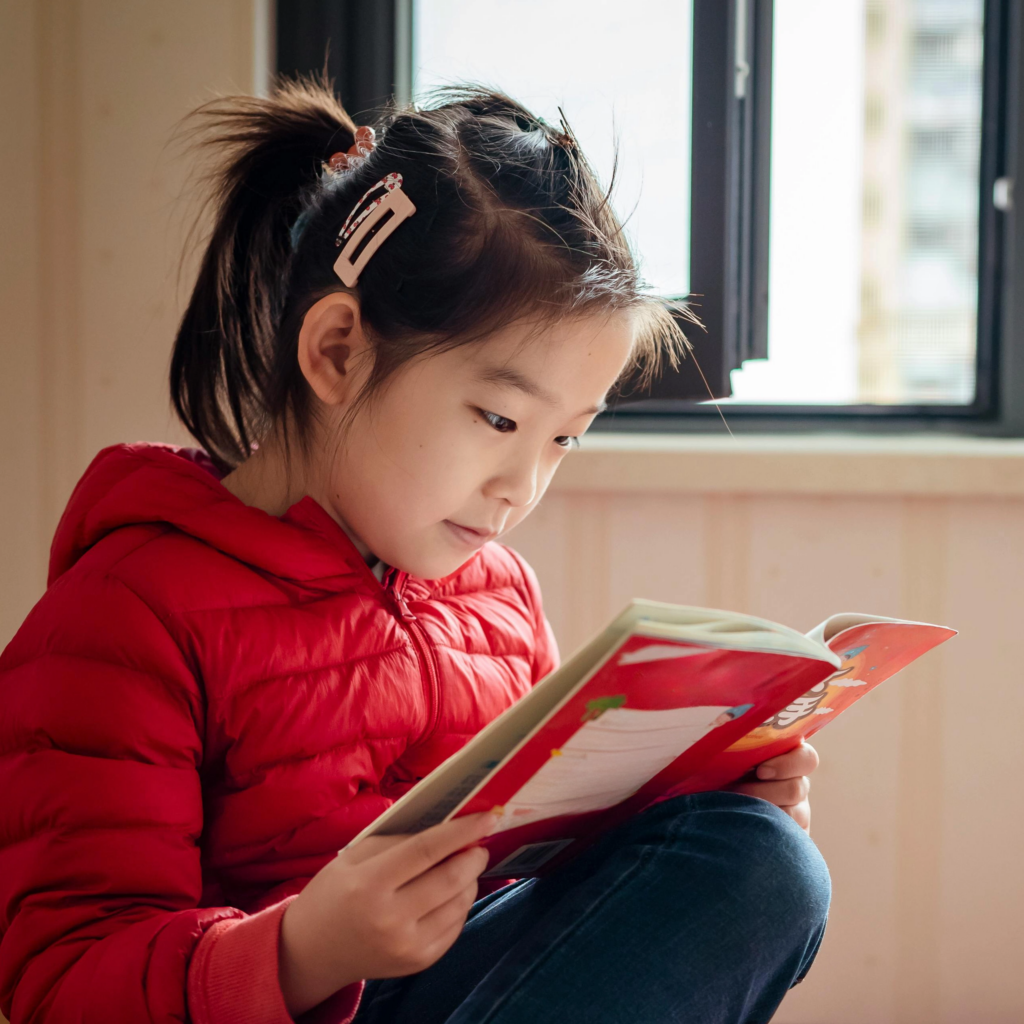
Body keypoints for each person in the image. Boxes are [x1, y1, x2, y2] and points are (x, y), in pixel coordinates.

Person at [0, 80, 828, 1024]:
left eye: (565, 438)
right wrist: (305, 950)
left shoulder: (499, 597)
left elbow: (541, 891)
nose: (522, 486)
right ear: (338, 351)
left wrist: (688, 819)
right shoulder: (127, 615)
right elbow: (60, 984)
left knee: (760, 859)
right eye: (500, 419)